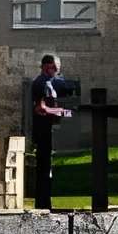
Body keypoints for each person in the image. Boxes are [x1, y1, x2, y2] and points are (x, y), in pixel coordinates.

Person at [28, 53, 77, 206]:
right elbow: (40, 108)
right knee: (44, 167)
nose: (55, 71)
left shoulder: (50, 82)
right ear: (44, 67)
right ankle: (42, 203)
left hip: (49, 131)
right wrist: (63, 112)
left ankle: (45, 202)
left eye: (57, 68)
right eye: (53, 68)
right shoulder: (40, 83)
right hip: (43, 131)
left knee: (47, 167)